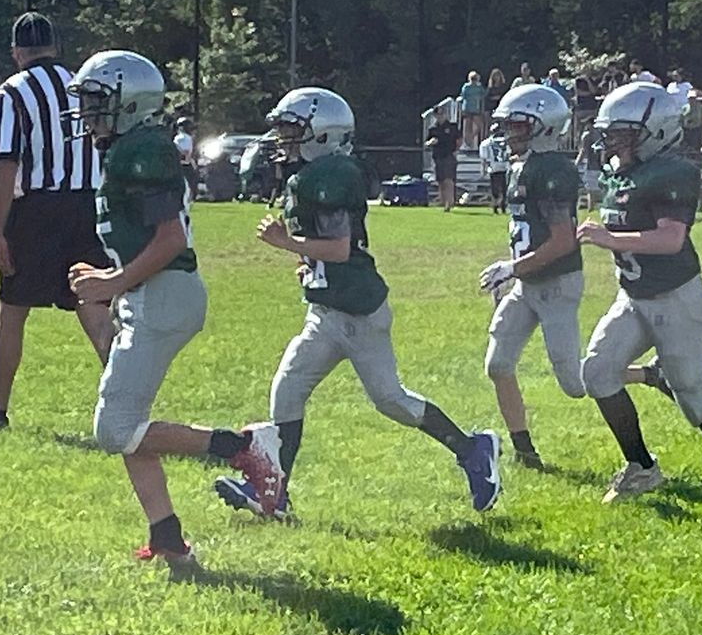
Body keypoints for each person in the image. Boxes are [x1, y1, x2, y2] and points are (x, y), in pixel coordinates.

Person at [213, 87, 502, 519]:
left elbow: (341, 248)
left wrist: (287, 243)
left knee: (391, 400)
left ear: (323, 134)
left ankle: (473, 449)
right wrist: (306, 260)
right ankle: (274, 492)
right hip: (325, 312)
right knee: (287, 392)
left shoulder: (331, 176)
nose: (284, 139)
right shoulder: (310, 175)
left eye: (292, 130)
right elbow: (325, 249)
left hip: (357, 314)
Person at [65, 49, 282, 570]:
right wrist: (114, 287)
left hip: (165, 293)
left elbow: (169, 238)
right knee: (127, 423)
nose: (89, 113)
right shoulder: (131, 148)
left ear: (130, 102)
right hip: (153, 294)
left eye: (98, 101)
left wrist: (113, 281)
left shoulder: (140, 150)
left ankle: (241, 445)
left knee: (114, 429)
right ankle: (168, 539)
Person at [576, 82, 702, 505]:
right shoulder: (623, 170)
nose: (614, 141)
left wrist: (610, 238)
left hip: (676, 298)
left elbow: (671, 240)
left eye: (624, 133)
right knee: (597, 372)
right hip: (633, 296)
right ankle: (642, 468)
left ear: (657, 130)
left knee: (691, 393)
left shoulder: (673, 171)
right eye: (612, 133)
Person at [0, 12, 116, 431]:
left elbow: (5, 163)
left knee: (12, 308)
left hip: (37, 208)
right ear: (56, 48)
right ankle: (127, 401)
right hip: (88, 203)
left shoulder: (12, 91)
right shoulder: (83, 86)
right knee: (94, 303)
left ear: (17, 53)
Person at [476, 84, 583, 468]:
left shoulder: (553, 169)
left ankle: (645, 374)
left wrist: (511, 268)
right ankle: (525, 450)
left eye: (518, 126)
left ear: (544, 127)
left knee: (575, 383)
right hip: (526, 283)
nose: (509, 133)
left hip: (556, 283)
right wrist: (512, 272)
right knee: (498, 364)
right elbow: (524, 231)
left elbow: (563, 241)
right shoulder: (521, 166)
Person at [425, 104, 459, 211]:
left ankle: (450, 202)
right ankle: (443, 201)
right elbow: (426, 142)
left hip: (448, 155)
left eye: (442, 114)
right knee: (440, 180)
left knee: (449, 179)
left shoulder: (452, 126)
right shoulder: (433, 129)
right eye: (438, 115)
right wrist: (430, 142)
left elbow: (459, 139)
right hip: (438, 156)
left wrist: (455, 151)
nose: (440, 116)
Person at [478, 130, 509, 214]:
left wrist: (483, 169)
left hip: (494, 168)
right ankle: (502, 205)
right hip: (505, 167)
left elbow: (484, 158)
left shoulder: (486, 143)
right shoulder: (508, 141)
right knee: (504, 189)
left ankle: (496, 206)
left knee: (495, 189)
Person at [458, 71, 486, 149]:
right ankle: (468, 142)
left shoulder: (469, 86)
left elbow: (462, 96)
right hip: (471, 108)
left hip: (471, 108)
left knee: (472, 126)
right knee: (470, 126)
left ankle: (469, 140)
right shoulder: (474, 87)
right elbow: (484, 94)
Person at [173, 116, 197, 200]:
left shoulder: (177, 137)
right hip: (184, 166)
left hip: (177, 165)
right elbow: (185, 153)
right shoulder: (185, 138)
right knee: (187, 187)